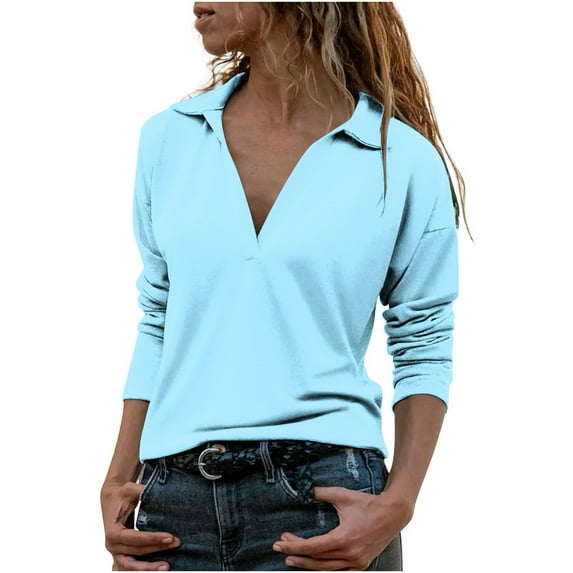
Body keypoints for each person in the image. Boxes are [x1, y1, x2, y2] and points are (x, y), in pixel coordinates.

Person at [100, 2, 467, 571]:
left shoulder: (401, 158)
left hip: (325, 502)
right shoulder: (168, 139)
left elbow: (424, 341)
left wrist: (399, 503)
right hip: (173, 506)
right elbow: (160, 317)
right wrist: (117, 479)